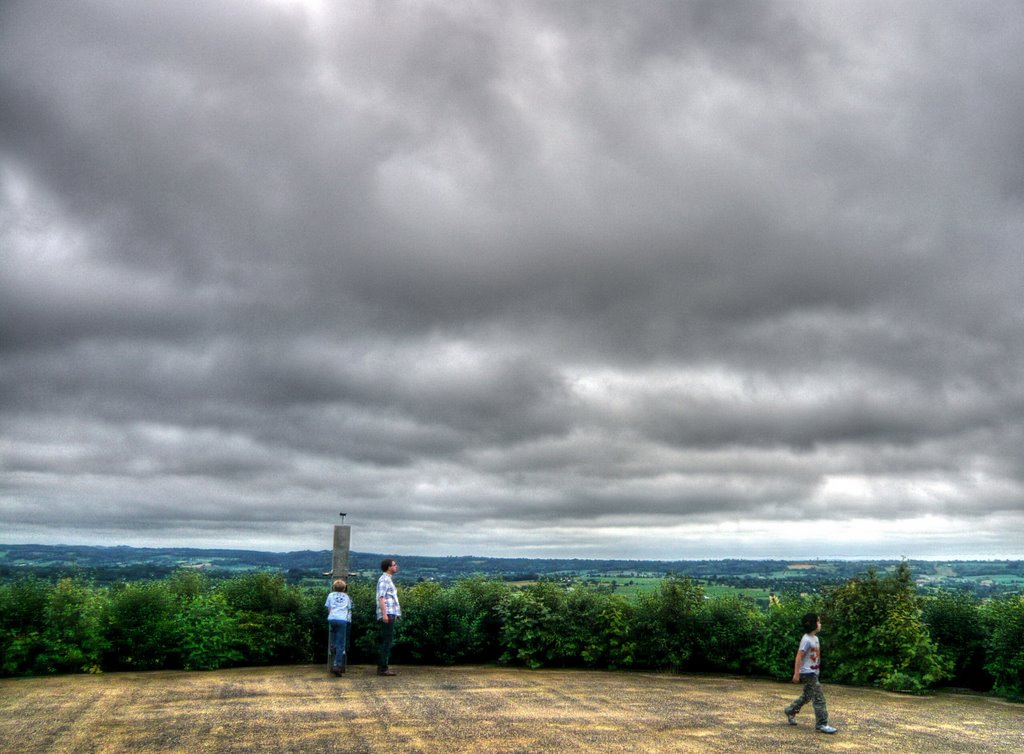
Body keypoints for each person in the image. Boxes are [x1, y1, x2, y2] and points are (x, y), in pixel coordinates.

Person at [784, 612, 837, 734]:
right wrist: (796, 674)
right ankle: (822, 724)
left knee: (807, 696)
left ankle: (790, 711)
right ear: (812, 624)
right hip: (807, 673)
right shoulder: (806, 639)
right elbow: (799, 656)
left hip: (814, 672)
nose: (820, 624)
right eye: (818, 621)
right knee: (819, 698)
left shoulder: (815, 638)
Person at [376, 558, 401, 676]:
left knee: (387, 641)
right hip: (387, 614)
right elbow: (381, 598)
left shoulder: (387, 580)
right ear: (388, 567)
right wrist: (385, 614)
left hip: (391, 613)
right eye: (394, 565)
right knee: (386, 641)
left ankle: (383, 667)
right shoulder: (384, 580)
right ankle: (383, 668)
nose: (396, 566)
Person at [324, 578, 352, 677]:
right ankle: (337, 665)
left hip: (332, 618)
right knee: (341, 644)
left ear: (333, 587)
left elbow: (328, 607)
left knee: (333, 633)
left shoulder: (330, 595)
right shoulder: (347, 597)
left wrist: (331, 616)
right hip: (342, 620)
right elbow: (349, 609)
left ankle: (332, 645)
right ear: (344, 588)